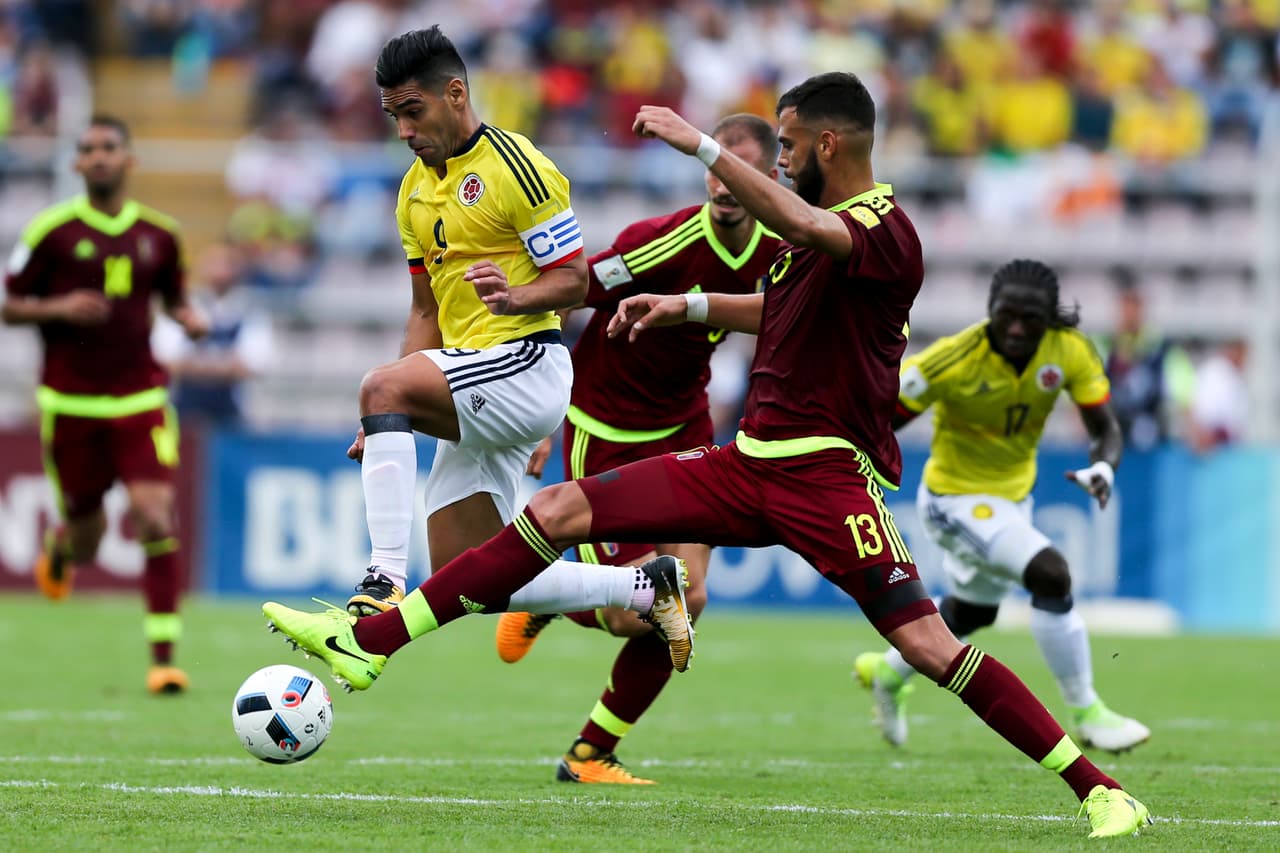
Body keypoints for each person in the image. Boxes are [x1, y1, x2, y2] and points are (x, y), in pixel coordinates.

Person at [263, 72, 1152, 838]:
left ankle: (1100, 791)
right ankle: (372, 640)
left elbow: (805, 233)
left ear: (829, 145)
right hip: (746, 460)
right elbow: (781, 309)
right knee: (557, 512)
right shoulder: (809, 231)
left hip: (827, 479)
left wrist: (701, 148)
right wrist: (685, 308)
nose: (780, 160)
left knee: (927, 644)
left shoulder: (883, 226)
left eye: (791, 145)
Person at [339, 27, 693, 658]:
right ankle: (644, 587)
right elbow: (426, 310)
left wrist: (515, 296)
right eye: (393, 117)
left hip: (526, 364)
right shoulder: (412, 191)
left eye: (412, 113)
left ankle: (384, 580)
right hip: (473, 377)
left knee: (381, 386)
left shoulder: (518, 168)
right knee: (470, 574)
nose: (403, 132)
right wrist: (388, 413)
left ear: (455, 93)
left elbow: (575, 279)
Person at [493, 112, 784, 784]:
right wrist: (541, 409)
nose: (722, 182)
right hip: (607, 429)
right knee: (638, 612)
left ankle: (590, 752)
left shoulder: (781, 245)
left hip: (685, 426)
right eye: (713, 166)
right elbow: (564, 297)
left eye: (736, 169)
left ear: (767, 177)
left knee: (691, 598)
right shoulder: (659, 241)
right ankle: (552, 597)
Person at [852, 258, 1151, 754]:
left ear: (1049, 319)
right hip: (953, 500)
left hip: (1011, 502)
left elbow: (1106, 429)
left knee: (971, 614)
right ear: (991, 308)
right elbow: (877, 423)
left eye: (1029, 320)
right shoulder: (953, 359)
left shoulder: (1069, 351)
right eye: (1005, 315)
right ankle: (1088, 713)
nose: (1015, 328)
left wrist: (1105, 468)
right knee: (1051, 574)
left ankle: (888, 671)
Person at [2, 115, 208, 694]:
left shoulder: (160, 234)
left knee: (153, 514)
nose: (97, 157)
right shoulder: (53, 231)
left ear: (128, 160)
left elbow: (174, 300)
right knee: (89, 536)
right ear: (76, 164)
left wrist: (188, 319)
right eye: (87, 149)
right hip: (71, 404)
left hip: (139, 396)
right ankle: (63, 544)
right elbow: (10, 305)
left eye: (108, 148)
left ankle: (163, 659)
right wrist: (59, 308)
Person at [151, 241, 276, 429]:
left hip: (231, 414)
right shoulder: (181, 308)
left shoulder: (251, 311)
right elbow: (165, 359)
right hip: (183, 411)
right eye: (214, 263)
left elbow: (255, 364)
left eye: (228, 264)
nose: (221, 271)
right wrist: (223, 365)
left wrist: (196, 364)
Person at [1094, 269, 1195, 451]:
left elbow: (1185, 401)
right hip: (1112, 450)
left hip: (1152, 448)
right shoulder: (1102, 348)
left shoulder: (1165, 351)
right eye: (1126, 303)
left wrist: (1195, 434)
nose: (1131, 311)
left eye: (1136, 304)